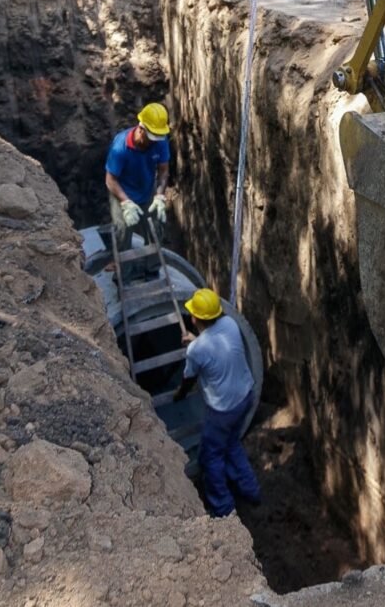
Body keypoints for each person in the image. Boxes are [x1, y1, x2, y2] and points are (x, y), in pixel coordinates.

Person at [174, 288, 262, 517]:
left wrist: (179, 395)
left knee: (210, 456)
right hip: (245, 396)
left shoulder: (196, 350)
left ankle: (223, 508)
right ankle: (251, 489)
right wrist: (197, 340)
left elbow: (188, 378)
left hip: (223, 410)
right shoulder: (231, 325)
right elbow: (214, 342)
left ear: (194, 318)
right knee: (231, 444)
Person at [104, 102, 171, 279]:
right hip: (122, 193)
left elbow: (163, 171)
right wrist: (126, 203)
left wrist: (159, 196)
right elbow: (110, 179)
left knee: (156, 229)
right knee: (123, 232)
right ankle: (123, 274)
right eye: (152, 137)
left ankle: (152, 269)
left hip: (147, 191)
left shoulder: (160, 140)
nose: (155, 141)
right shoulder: (120, 147)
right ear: (141, 129)